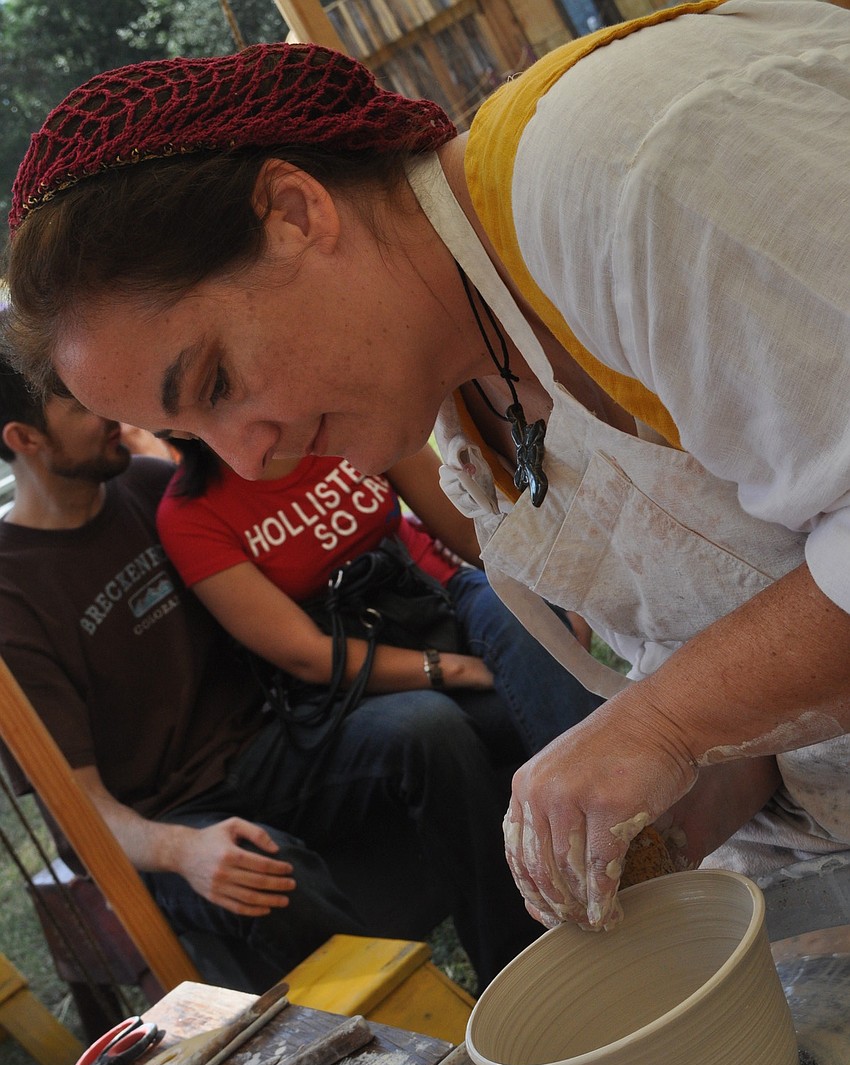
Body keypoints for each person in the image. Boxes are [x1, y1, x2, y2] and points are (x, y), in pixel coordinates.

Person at [3, 0, 850, 937]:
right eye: (194, 436)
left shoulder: (633, 171)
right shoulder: (464, 396)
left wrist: (664, 723)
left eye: (217, 379)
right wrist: (678, 809)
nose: (249, 452)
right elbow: (756, 625)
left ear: (295, 213)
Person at [0, 350, 546, 991]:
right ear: (24, 438)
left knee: (429, 727)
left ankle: (519, 970)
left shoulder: (147, 488)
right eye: (79, 403)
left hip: (274, 740)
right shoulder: (14, 597)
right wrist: (184, 851)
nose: (110, 413)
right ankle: (414, 1032)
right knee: (265, 870)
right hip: (171, 814)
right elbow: (80, 810)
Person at [156, 438, 601, 758]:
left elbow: (470, 535)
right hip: (362, 654)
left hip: (440, 591)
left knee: (523, 621)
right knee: (460, 721)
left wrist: (555, 597)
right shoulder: (189, 515)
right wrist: (455, 669)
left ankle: (622, 808)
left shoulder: (332, 424)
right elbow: (308, 656)